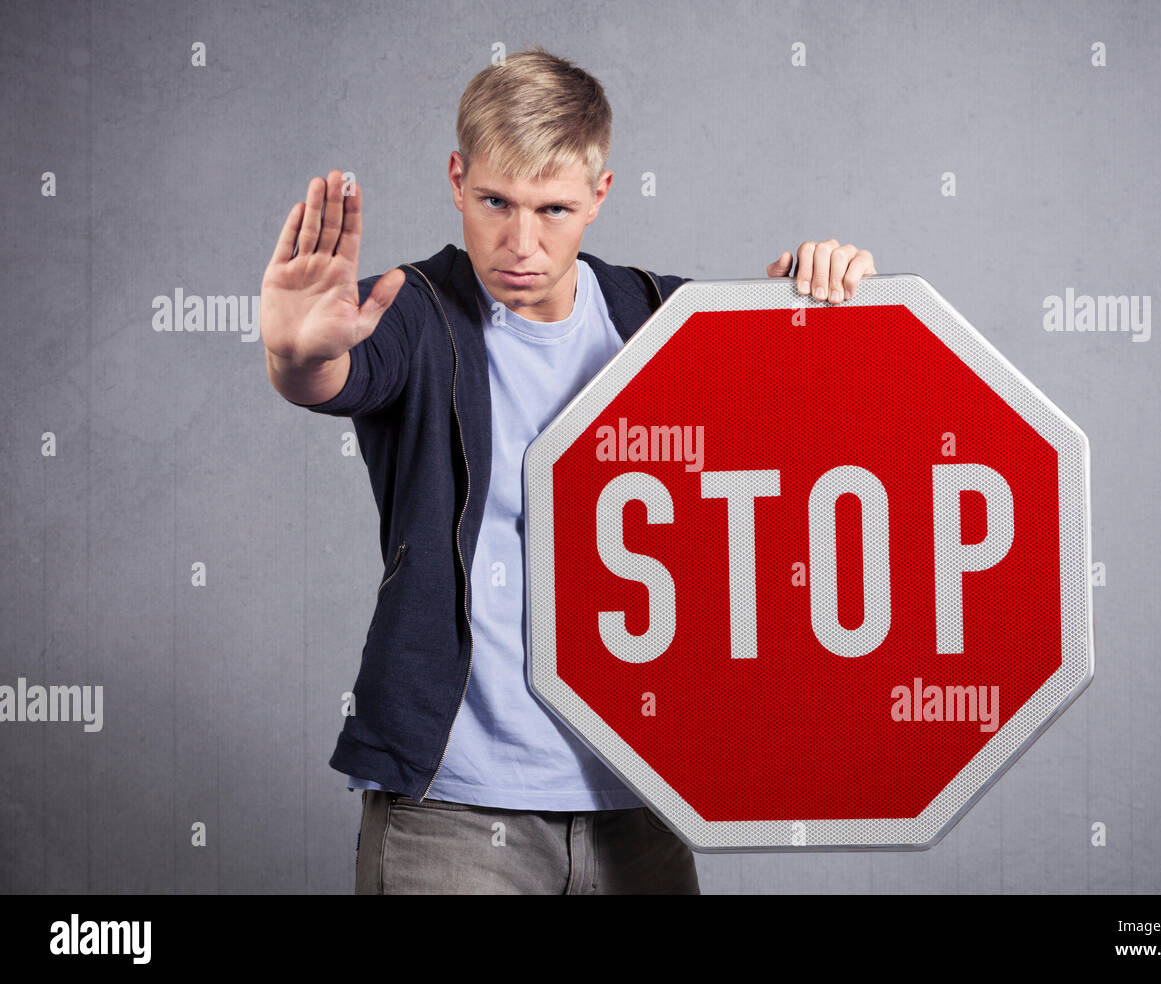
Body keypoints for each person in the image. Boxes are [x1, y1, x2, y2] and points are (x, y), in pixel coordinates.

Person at [261, 46, 876, 894]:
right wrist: (297, 358)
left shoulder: (666, 321)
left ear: (600, 195)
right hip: (453, 813)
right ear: (456, 177)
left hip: (643, 805)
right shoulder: (407, 313)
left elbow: (831, 439)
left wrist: (835, 303)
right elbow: (332, 375)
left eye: (553, 208)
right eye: (495, 203)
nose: (521, 243)